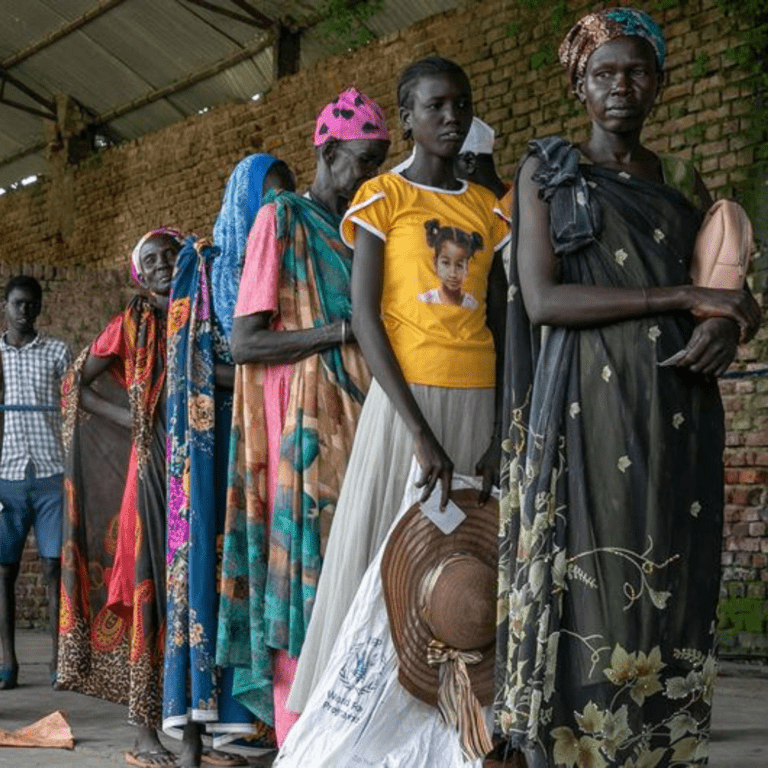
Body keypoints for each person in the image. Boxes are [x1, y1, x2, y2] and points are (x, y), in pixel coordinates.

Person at [494, 9, 761, 768]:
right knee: (596, 579)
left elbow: (731, 295)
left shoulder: (681, 180)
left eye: (636, 71)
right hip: (588, 408)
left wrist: (725, 328)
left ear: (660, 82)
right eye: (603, 72)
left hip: (679, 407)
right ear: (579, 83)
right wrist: (682, 299)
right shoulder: (548, 171)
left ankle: (661, 753)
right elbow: (544, 300)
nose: (620, 86)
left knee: (671, 573)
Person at [288, 55, 511, 716]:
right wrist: (418, 432)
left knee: (464, 573)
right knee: (382, 564)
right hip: (408, 410)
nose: (450, 116)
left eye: (460, 104)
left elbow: (499, 320)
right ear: (408, 116)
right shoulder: (383, 197)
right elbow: (364, 317)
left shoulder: (488, 210)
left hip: (479, 404)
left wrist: (502, 427)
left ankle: (451, 723)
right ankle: (364, 716)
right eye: (435, 106)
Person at [216, 86, 390, 746]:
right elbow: (244, 341)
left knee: (353, 589)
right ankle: (300, 745)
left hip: (359, 428)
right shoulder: (281, 218)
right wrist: (337, 333)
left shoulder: (357, 234)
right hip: (299, 434)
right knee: (303, 589)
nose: (365, 178)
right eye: (360, 162)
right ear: (328, 150)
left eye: (377, 163)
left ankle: (345, 744)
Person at [162, 156, 295, 766]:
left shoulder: (285, 262)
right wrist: (257, 366)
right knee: (205, 579)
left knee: (269, 571)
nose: (274, 209)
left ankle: (262, 727)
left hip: (270, 436)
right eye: (265, 197)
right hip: (214, 451)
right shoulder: (204, 265)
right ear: (242, 198)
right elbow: (188, 363)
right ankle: (193, 735)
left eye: (282, 198)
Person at [58, 229, 182, 768]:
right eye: (150, 260)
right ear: (138, 273)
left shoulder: (203, 311)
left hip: (197, 460)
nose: (160, 265)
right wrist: (131, 419)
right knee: (150, 589)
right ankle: (146, 733)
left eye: (169, 255)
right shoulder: (130, 324)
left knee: (194, 596)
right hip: (152, 464)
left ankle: (208, 730)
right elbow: (75, 383)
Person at [0, 275, 71, 690]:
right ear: (5, 306)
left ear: (40, 307)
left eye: (32, 304)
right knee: (4, 571)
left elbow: (75, 405)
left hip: (49, 472)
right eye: (17, 304)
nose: (24, 310)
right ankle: (7, 662)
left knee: (52, 567)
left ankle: (58, 660)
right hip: (5, 475)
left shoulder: (58, 351)